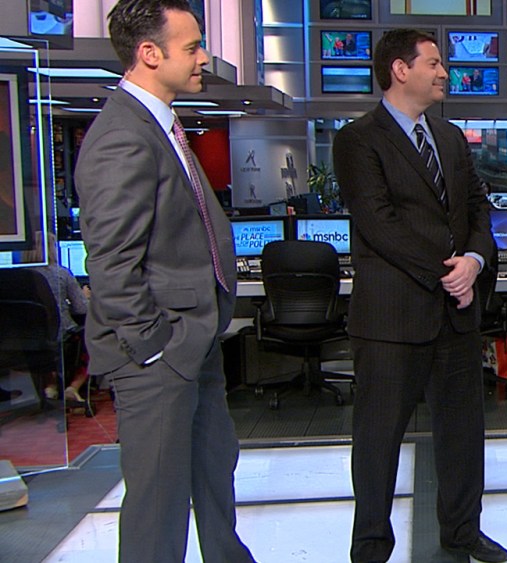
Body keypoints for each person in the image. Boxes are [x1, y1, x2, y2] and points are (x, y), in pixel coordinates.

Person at [74, 1, 254, 561]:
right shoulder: (122, 135)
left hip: (194, 340)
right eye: (192, 47)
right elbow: (111, 263)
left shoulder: (163, 125)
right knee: (159, 507)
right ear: (149, 53)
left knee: (214, 476)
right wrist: (155, 346)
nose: (204, 58)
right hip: (160, 353)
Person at [332, 29, 507, 563]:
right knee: (378, 441)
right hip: (392, 319)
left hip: (455, 315)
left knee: (462, 436)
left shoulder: (450, 138)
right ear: (400, 70)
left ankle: (462, 531)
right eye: (433, 63)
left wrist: (474, 261)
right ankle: (370, 546)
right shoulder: (358, 139)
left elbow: (478, 208)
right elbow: (379, 224)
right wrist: (445, 272)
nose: (444, 73)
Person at [27, 232, 91, 404]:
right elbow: (81, 308)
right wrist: (85, 296)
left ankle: (51, 385)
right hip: (61, 335)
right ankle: (73, 387)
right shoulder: (61, 273)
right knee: (91, 337)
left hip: (28, 339)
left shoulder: (18, 275)